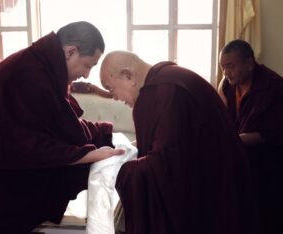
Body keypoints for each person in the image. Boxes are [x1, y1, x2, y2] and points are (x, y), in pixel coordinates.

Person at [0, 21, 124, 234]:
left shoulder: (43, 66)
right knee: (68, 172)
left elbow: (59, 124)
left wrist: (104, 134)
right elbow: (30, 145)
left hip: (10, 155)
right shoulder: (29, 75)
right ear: (71, 52)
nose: (87, 74)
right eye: (88, 65)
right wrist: (90, 155)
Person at [99, 51, 258, 234]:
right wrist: (127, 148)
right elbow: (174, 139)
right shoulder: (170, 78)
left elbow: (168, 164)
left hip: (213, 193)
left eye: (111, 89)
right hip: (222, 181)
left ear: (128, 76)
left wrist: (118, 169)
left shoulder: (166, 91)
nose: (115, 98)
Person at [218, 39, 283, 234]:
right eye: (223, 67)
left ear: (249, 63)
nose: (227, 72)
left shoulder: (274, 88)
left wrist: (225, 142)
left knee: (266, 215)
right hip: (242, 155)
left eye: (231, 66)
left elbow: (267, 134)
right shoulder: (229, 85)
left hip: (268, 161)